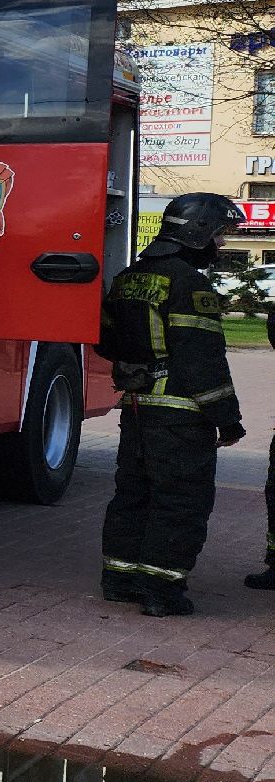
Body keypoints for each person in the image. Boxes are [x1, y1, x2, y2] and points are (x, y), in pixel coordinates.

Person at [97, 192, 247, 616]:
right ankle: (161, 591)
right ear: (198, 233)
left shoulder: (128, 278)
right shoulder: (190, 284)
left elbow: (107, 340)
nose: (220, 245)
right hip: (181, 413)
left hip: (137, 407)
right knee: (180, 500)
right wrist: (228, 419)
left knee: (132, 493)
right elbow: (201, 360)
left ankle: (120, 578)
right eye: (219, 235)